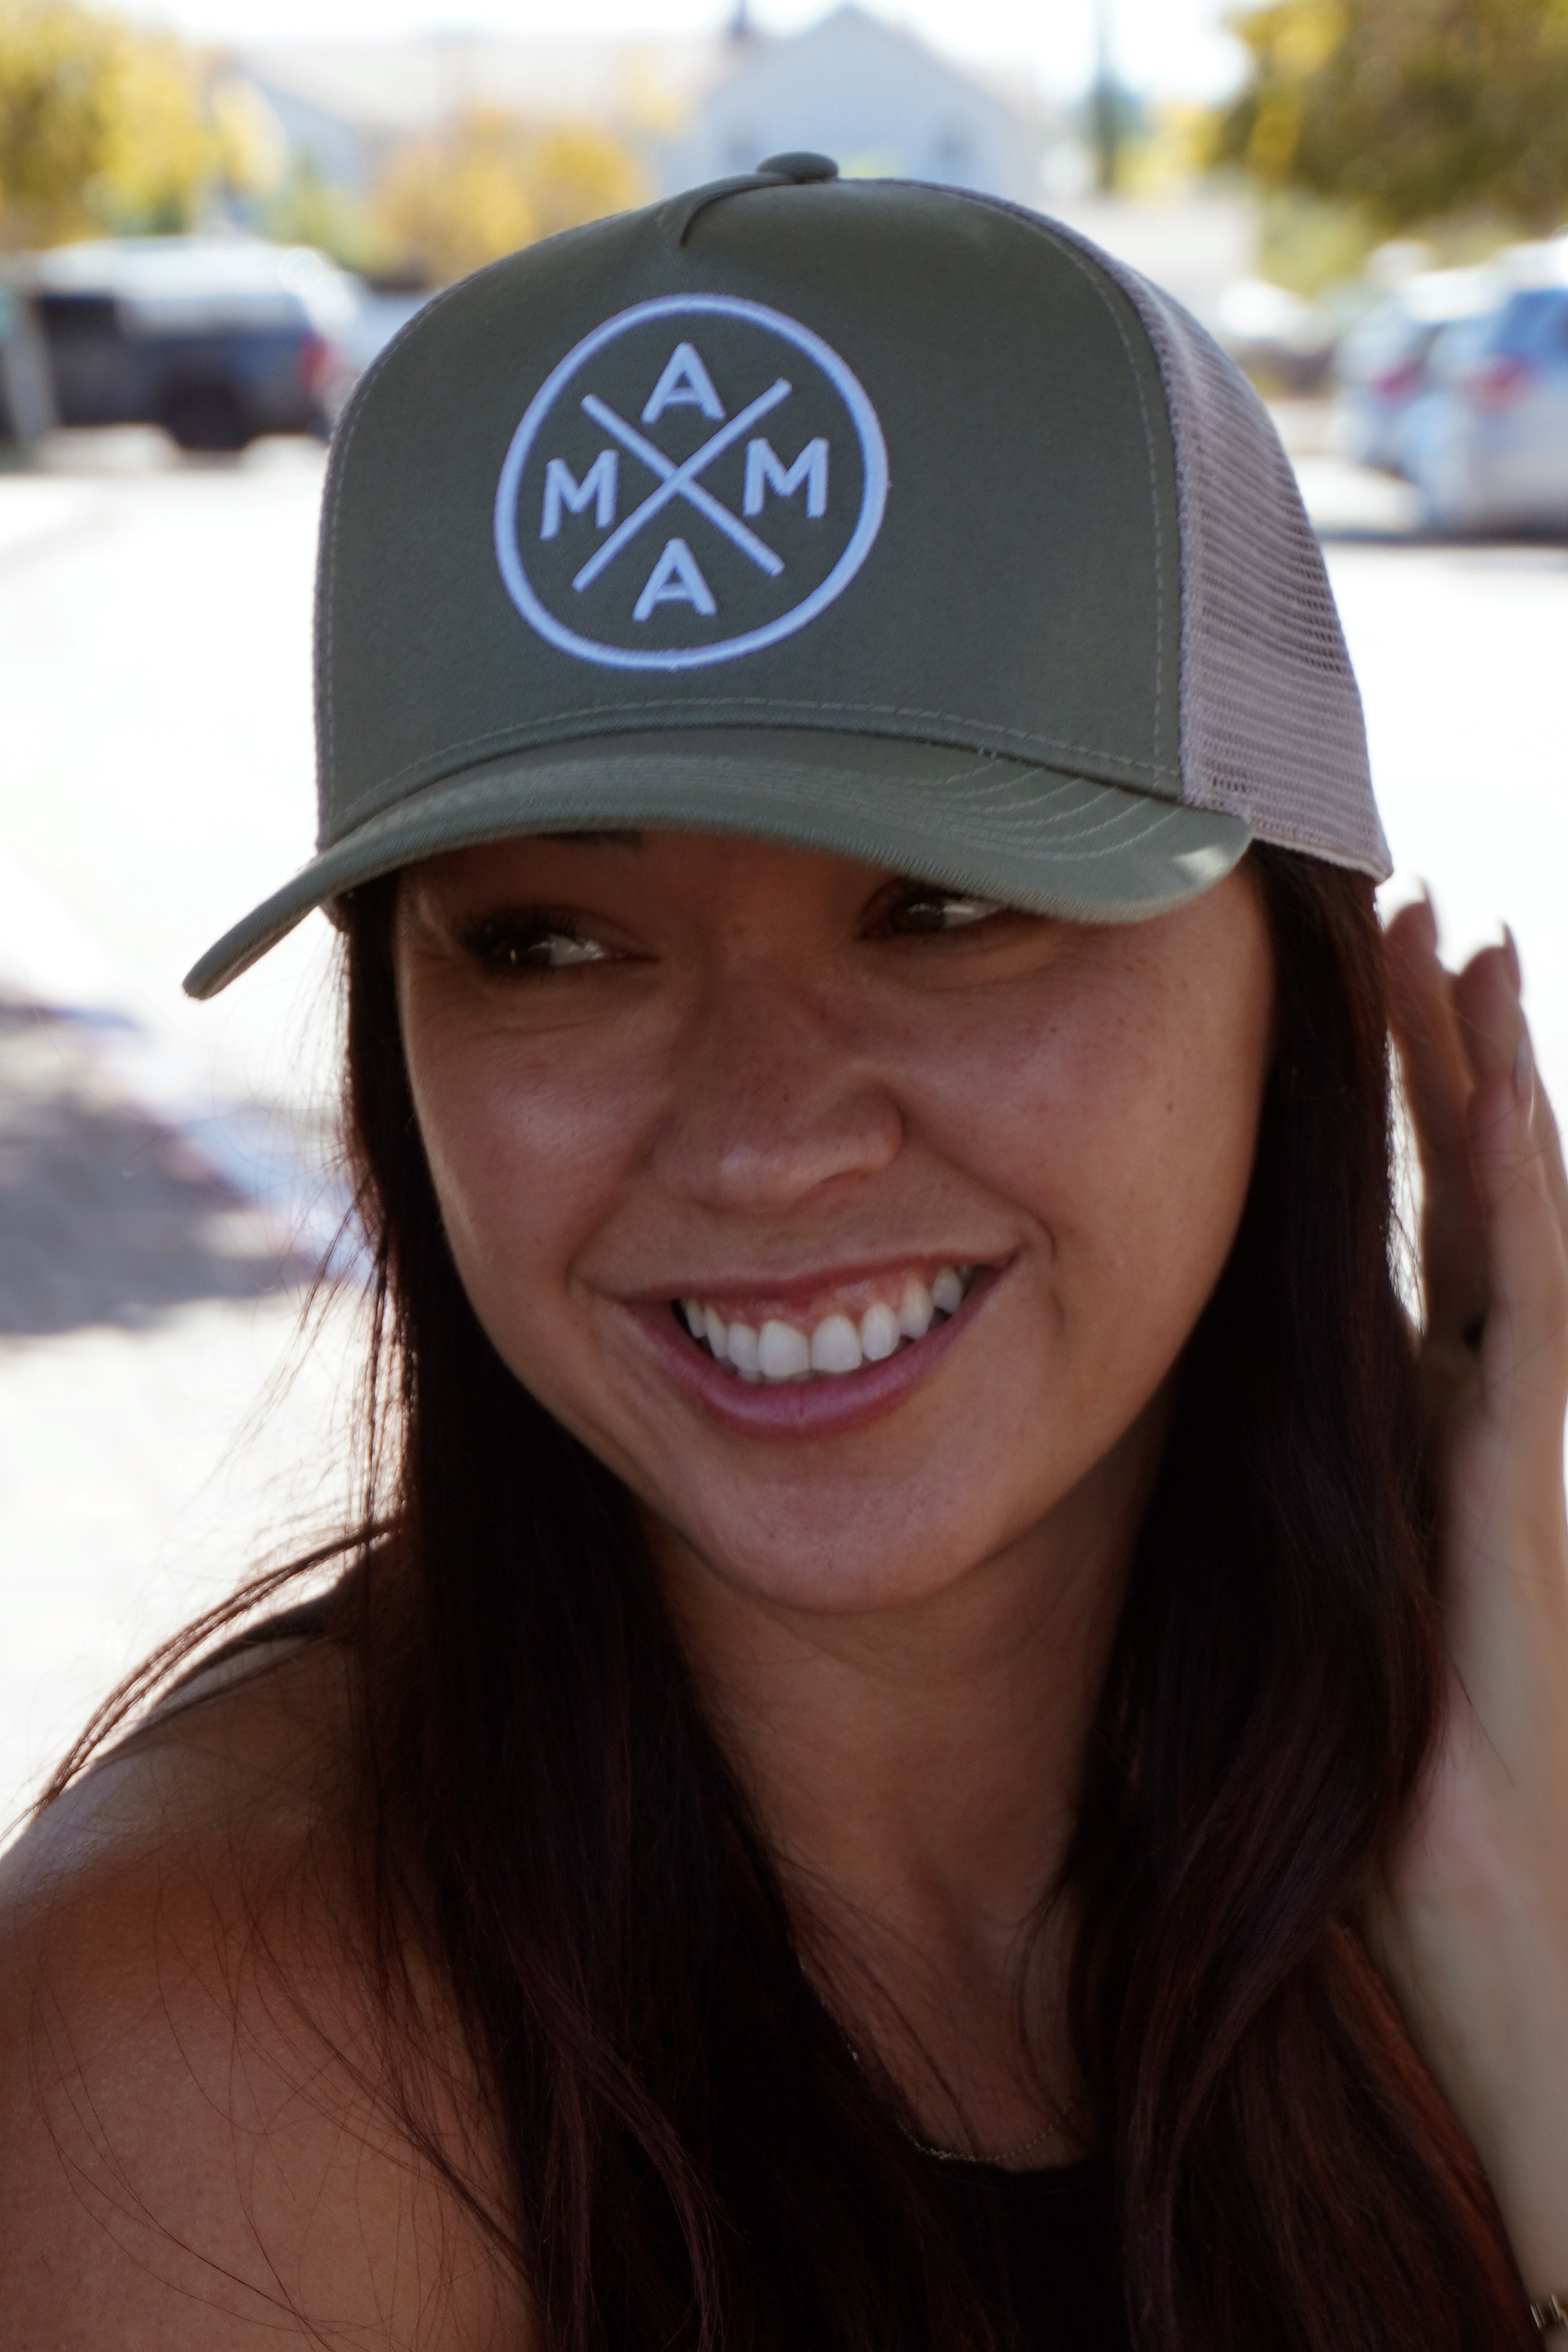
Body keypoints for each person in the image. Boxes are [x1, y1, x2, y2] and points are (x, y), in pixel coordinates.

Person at [2, 158, 1565, 2352]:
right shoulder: (204, 2068)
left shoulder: (1504, 1810)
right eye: (552, 942)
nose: (757, 1141)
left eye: (943, 905)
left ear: (1305, 980)